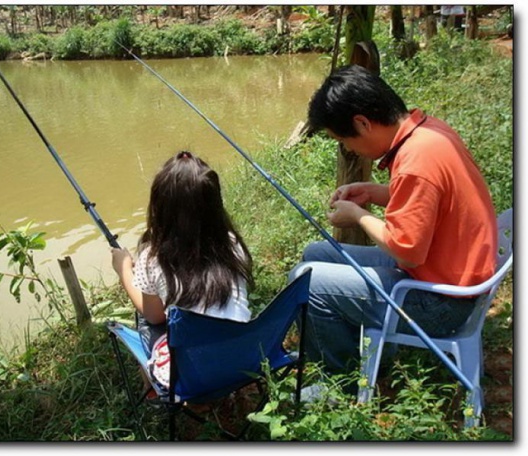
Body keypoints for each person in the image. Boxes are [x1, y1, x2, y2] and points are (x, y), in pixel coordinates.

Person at [289, 65, 497, 376]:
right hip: (450, 277)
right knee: (316, 254)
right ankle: (362, 360)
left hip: (442, 304)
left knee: (306, 279)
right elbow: (429, 198)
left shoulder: (415, 160)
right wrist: (373, 192)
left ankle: (338, 383)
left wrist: (358, 216)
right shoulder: (429, 132)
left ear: (362, 123)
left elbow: (406, 251)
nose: (348, 149)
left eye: (343, 140)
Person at [111, 150, 253, 391]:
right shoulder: (231, 243)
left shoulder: (151, 259)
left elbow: (154, 316)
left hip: (192, 375)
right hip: (243, 360)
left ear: (159, 209)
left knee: (146, 320)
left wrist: (124, 271)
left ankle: (153, 385)